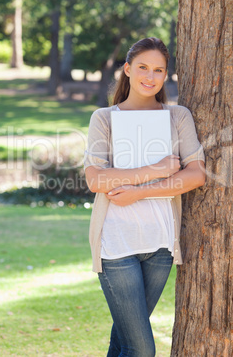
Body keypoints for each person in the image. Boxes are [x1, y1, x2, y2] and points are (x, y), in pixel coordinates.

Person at [84, 37, 206, 357]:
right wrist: (157, 168)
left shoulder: (177, 116)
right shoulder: (105, 118)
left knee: (124, 341)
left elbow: (196, 174)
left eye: (158, 70)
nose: (149, 76)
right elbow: (96, 178)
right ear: (127, 69)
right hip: (116, 246)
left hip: (161, 246)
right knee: (141, 350)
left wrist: (139, 191)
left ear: (166, 75)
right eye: (142, 67)